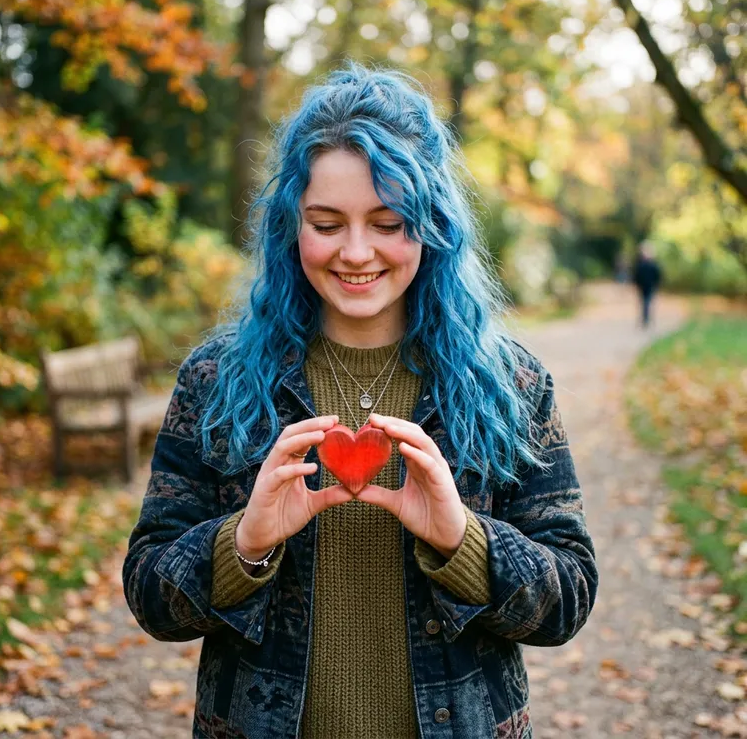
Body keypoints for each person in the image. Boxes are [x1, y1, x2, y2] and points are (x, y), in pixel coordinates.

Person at [122, 63, 598, 739]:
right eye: (327, 222)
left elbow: (569, 595)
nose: (355, 252)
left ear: (431, 224)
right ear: (292, 226)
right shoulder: (217, 379)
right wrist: (245, 544)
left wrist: (462, 540)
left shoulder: (510, 384)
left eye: (386, 222)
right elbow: (150, 594)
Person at [632, 241, 662, 327]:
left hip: (649, 286)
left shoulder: (651, 265)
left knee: (646, 303)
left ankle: (646, 318)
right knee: (645, 303)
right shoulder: (642, 264)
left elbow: (657, 276)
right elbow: (636, 276)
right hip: (643, 286)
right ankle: (645, 318)